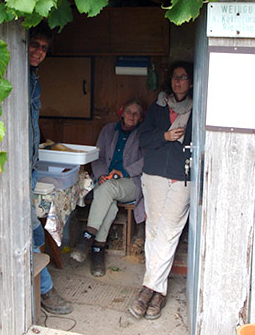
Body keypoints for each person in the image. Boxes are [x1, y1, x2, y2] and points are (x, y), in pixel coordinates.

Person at [129, 61, 194, 321]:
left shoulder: (198, 107)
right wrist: (164, 137)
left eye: (184, 77)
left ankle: (147, 290)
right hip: (154, 174)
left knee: (168, 232)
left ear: (191, 82)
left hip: (181, 177)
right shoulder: (158, 106)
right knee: (154, 230)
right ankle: (158, 293)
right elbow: (143, 139)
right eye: (175, 77)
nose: (178, 81)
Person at [70, 99, 145, 277]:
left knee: (107, 190)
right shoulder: (108, 130)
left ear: (141, 118)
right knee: (108, 200)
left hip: (131, 183)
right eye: (128, 111)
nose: (132, 116)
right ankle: (97, 250)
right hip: (106, 181)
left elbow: (146, 161)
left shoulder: (143, 134)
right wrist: (103, 174)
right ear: (122, 112)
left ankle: (87, 237)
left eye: (136, 113)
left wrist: (124, 172)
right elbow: (98, 156)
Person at [28, 25, 73, 315]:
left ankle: (41, 289)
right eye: (35, 44)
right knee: (31, 230)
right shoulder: (16, 76)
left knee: (35, 229)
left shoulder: (33, 79)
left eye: (44, 48)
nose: (39, 51)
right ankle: (44, 291)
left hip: (30, 163)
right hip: (14, 167)